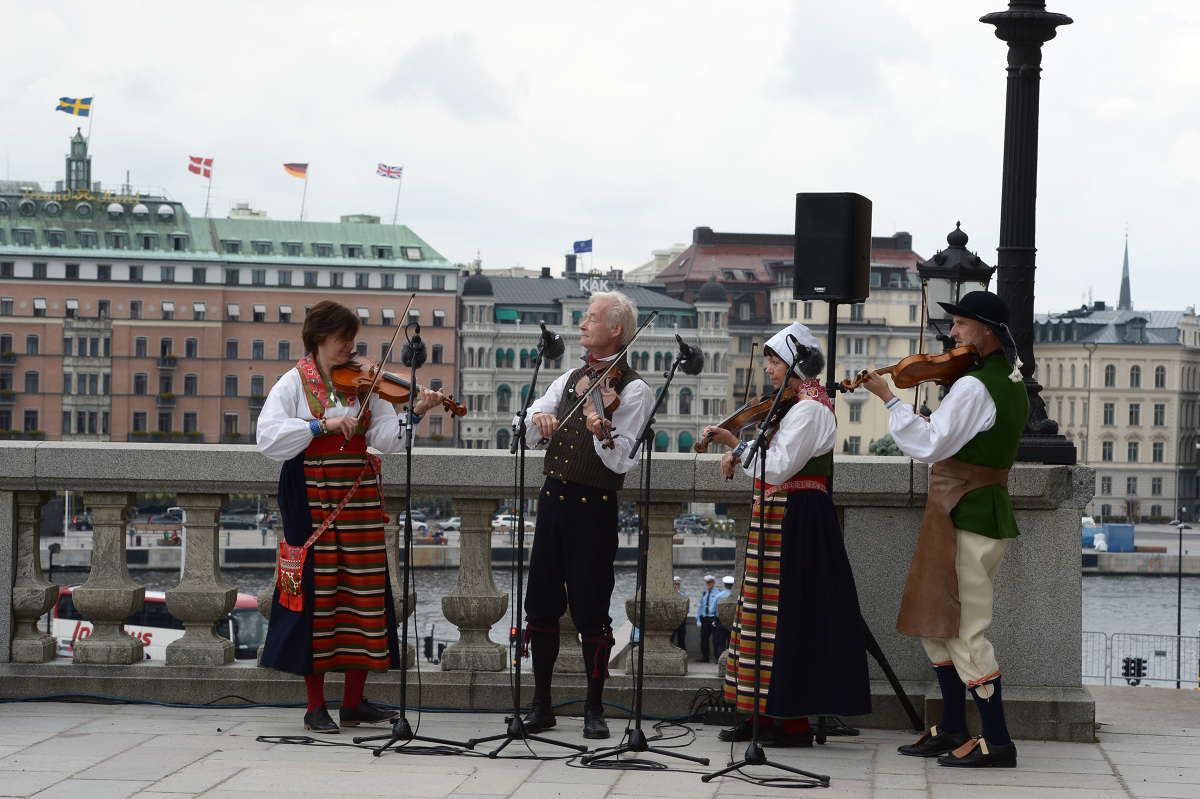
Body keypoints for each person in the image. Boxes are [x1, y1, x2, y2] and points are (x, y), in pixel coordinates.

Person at [256, 300, 444, 734]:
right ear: (320, 337)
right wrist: (320, 426)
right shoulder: (292, 383)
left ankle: (355, 702)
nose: (351, 348)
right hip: (308, 494)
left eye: (353, 340)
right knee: (317, 595)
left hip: (357, 495)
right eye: (344, 340)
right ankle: (315, 704)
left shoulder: (364, 384)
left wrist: (414, 412)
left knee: (363, 591)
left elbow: (385, 439)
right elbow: (268, 439)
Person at [859, 290, 1028, 769]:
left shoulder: (975, 387)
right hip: (962, 511)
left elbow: (931, 443)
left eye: (960, 324)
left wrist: (889, 399)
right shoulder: (1003, 379)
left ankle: (997, 740)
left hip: (968, 513)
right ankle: (953, 726)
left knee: (966, 630)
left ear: (986, 330)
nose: (951, 334)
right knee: (937, 623)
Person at [702, 322, 871, 747]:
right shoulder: (793, 405)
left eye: (775, 362)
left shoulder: (810, 409)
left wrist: (735, 443)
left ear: (796, 363)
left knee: (789, 619)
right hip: (778, 514)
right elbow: (769, 460)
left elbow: (777, 466)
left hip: (797, 518)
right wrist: (740, 449)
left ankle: (788, 718)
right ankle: (757, 711)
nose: (769, 371)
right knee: (758, 618)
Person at [516, 291, 654, 740]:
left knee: (592, 608)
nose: (581, 325)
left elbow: (619, 460)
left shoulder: (634, 388)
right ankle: (540, 704)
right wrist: (538, 420)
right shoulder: (570, 377)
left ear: (615, 329)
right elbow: (531, 417)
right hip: (553, 501)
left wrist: (596, 415)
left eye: (590, 318)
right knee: (539, 606)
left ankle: (594, 709)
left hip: (593, 507)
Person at [694, 575, 720, 662]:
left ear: (713, 583)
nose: (708, 584)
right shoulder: (704, 593)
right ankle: (705, 657)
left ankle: (717, 658)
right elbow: (700, 607)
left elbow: (718, 607)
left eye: (710, 582)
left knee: (716, 639)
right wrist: (698, 619)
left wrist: (717, 618)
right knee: (704, 639)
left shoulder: (718, 593)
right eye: (707, 582)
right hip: (704, 619)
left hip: (713, 618)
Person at [710, 575, 735, 658]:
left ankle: (720, 659)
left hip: (720, 621)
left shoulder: (719, 596)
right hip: (734, 621)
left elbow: (712, 610)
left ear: (724, 584)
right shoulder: (737, 596)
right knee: (732, 642)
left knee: (720, 642)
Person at [671, 576, 688, 650]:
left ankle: (683, 652)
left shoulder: (684, 595)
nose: (676, 586)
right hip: (671, 619)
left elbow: (687, 608)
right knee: (670, 638)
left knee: (681, 638)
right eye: (675, 584)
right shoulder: (669, 595)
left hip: (681, 620)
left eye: (678, 584)